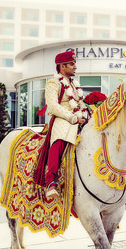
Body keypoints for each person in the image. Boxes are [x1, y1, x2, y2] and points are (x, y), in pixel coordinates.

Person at [37, 50, 89, 199]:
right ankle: (50, 182)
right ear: (62, 66)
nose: (75, 67)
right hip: (62, 119)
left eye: (74, 64)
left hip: (78, 118)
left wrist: (85, 114)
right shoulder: (53, 83)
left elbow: (80, 103)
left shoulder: (74, 85)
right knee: (60, 138)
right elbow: (53, 106)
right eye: (72, 64)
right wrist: (72, 118)